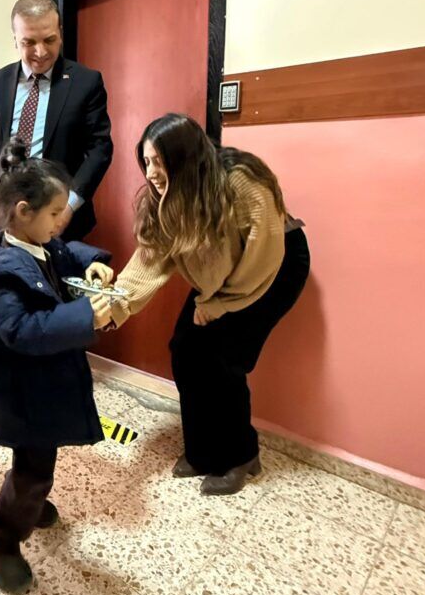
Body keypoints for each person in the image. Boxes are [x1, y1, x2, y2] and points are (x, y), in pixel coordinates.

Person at [106, 113, 310, 496]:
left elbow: (262, 256)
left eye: (160, 161)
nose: (151, 173)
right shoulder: (166, 195)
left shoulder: (241, 182)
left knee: (223, 361)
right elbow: (150, 260)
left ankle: (241, 456)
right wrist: (114, 305)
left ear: (185, 158)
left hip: (272, 267)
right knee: (186, 350)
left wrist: (220, 304)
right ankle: (202, 452)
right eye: (146, 161)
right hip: (221, 267)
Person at [0, 137, 113, 594]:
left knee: (34, 461)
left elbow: (66, 252)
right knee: (34, 469)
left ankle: (27, 502)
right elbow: (22, 331)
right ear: (24, 211)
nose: (60, 222)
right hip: (20, 391)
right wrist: (86, 318)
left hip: (41, 385)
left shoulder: (38, 242)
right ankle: (0, 538)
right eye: (54, 214)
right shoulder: (3, 276)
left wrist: (92, 263)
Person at [0, 0, 113, 416]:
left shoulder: (86, 82)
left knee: (56, 304)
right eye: (29, 42)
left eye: (49, 40)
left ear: (60, 32)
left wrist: (70, 205)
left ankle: (56, 389)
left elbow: (101, 148)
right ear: (15, 39)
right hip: (6, 217)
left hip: (58, 216)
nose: (40, 51)